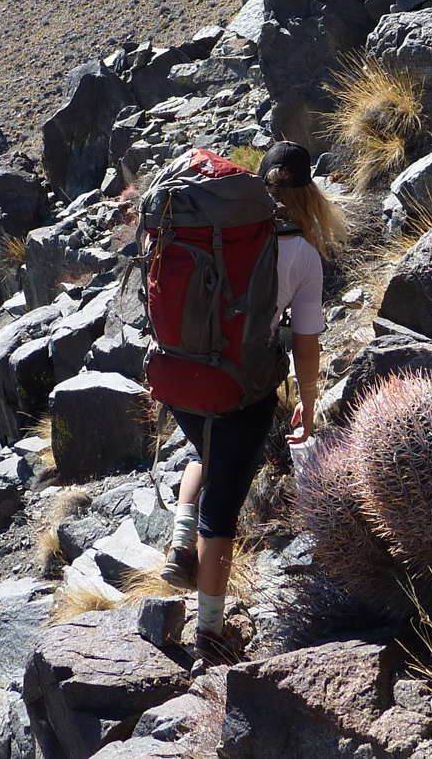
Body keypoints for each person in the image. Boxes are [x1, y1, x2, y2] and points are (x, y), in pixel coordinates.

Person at [160, 140, 345, 660]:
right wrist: (308, 400)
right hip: (241, 390)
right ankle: (210, 633)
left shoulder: (218, 229)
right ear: (310, 194)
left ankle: (180, 541)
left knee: (203, 453)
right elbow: (305, 344)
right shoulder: (302, 254)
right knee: (223, 507)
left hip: (179, 374)